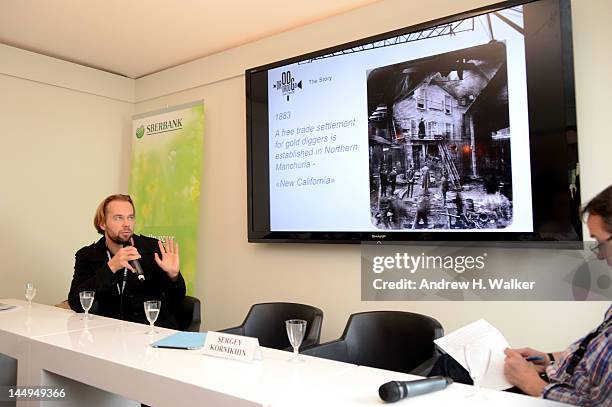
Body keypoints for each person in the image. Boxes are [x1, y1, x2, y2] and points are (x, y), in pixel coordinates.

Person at [429, 185, 612, 406]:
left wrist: (531, 383)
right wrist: (549, 359)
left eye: (600, 243)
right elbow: (592, 352)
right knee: (454, 363)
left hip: (550, 393)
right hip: (555, 377)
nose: (600, 256)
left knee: (449, 369)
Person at [68, 194, 186, 329]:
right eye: (119, 218)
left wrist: (174, 277)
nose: (126, 224)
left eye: (130, 217)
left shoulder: (153, 249)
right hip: (108, 336)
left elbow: (177, 300)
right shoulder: (88, 256)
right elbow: (76, 303)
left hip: (151, 333)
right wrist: (110, 267)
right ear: (102, 223)